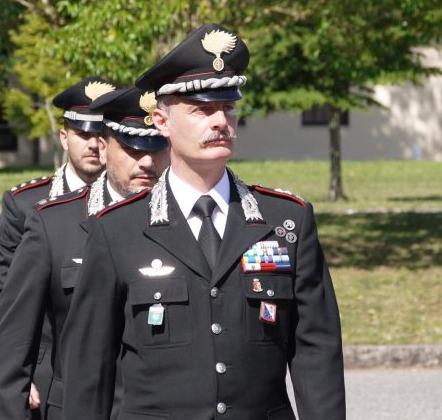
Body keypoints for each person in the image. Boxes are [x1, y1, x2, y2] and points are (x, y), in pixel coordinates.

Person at [61, 24, 345, 420]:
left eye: (227, 108)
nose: (220, 121)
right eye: (202, 110)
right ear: (161, 122)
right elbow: (89, 368)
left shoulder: (285, 221)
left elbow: (317, 353)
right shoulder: (116, 230)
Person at [0, 87, 170, 420]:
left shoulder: (186, 223)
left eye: (157, 147)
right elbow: (9, 341)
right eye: (131, 147)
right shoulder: (50, 222)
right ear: (106, 146)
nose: (146, 161)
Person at [0, 76, 115, 415]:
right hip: (45, 367)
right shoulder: (26, 205)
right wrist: (16, 368)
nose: (94, 145)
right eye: (84, 134)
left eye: (102, 135)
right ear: (64, 136)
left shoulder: (136, 201)